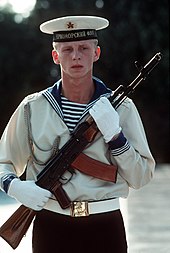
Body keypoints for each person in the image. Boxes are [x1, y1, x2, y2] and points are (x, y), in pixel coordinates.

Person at [0, 15, 155, 253]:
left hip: (105, 226)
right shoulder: (33, 108)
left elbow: (141, 177)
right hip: (51, 226)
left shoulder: (122, 109)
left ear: (96, 53)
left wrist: (116, 137)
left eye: (84, 48)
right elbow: (3, 162)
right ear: (55, 56)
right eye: (67, 49)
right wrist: (13, 186)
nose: (76, 56)